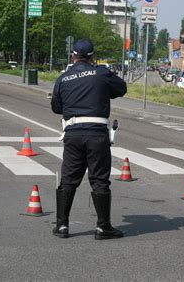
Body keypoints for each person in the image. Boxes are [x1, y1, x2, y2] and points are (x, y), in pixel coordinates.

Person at [50, 39, 127, 240]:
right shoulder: (101, 73)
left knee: (69, 178)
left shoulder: (64, 78)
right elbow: (121, 89)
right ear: (92, 56)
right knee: (99, 179)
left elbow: (56, 107)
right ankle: (103, 227)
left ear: (73, 56)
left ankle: (62, 226)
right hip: (96, 133)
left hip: (73, 134)